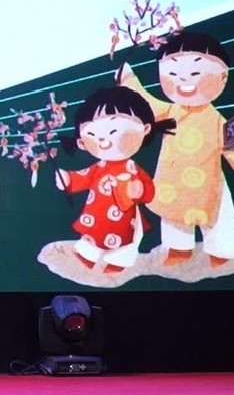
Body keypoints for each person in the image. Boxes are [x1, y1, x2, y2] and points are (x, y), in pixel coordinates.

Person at [118, 31, 234, 267]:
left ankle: (222, 251)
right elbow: (146, 103)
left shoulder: (216, 120)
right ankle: (178, 249)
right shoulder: (170, 112)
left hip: (209, 181)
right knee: (172, 214)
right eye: (173, 74)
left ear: (222, 78)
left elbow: (233, 145)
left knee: (219, 214)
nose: (184, 80)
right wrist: (127, 77)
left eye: (196, 72)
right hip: (173, 180)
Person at [55, 86, 176, 273]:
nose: (104, 141)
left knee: (124, 243)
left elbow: (149, 190)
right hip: (96, 215)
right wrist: (66, 179)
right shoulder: (99, 167)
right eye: (92, 135)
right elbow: (82, 177)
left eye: (113, 131)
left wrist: (140, 190)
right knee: (91, 238)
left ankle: (117, 263)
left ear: (145, 129)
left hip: (124, 216)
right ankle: (87, 257)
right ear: (81, 143)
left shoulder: (132, 168)